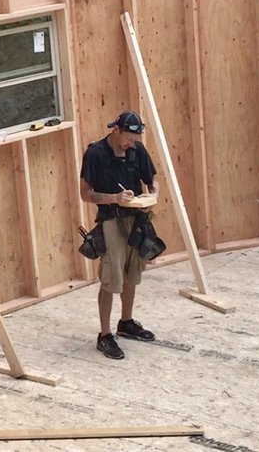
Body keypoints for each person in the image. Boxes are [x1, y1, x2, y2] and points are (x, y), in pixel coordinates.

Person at [79, 111, 159, 359]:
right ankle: (104, 335)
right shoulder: (95, 154)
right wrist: (114, 198)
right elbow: (85, 193)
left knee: (132, 272)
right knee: (111, 276)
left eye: (135, 139)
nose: (131, 144)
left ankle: (126, 322)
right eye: (128, 138)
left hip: (136, 218)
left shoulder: (137, 151)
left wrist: (152, 196)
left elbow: (153, 179)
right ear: (116, 131)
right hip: (111, 219)